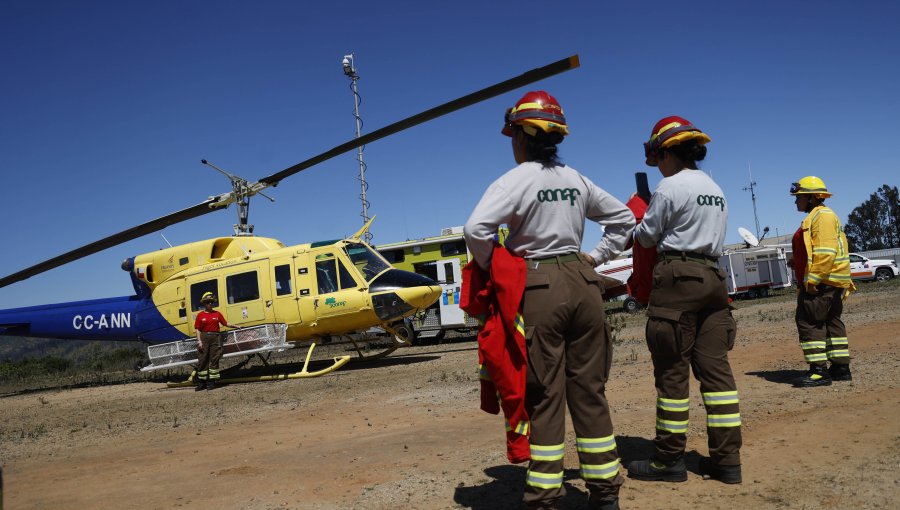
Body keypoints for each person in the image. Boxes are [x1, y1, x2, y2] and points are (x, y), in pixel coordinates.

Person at [464, 90, 635, 510]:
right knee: (589, 390)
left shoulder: (515, 180)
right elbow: (624, 219)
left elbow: (476, 229)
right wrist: (594, 257)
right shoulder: (576, 179)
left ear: (521, 135)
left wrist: (495, 267)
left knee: (544, 395)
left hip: (538, 285)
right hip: (583, 281)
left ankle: (544, 496)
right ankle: (605, 493)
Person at [627, 116, 742, 485]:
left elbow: (646, 238)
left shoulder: (669, 187)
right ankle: (727, 462)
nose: (657, 165)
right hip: (713, 279)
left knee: (673, 376)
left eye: (658, 157)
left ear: (667, 152)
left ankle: (669, 461)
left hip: (677, 280)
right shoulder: (716, 188)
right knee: (717, 374)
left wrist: (639, 218)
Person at [789, 176, 855, 387]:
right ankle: (840, 368)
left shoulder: (821, 216)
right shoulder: (821, 215)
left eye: (798, 197)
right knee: (832, 322)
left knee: (810, 323)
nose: (795, 201)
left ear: (810, 197)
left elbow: (826, 252)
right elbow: (817, 250)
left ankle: (819, 372)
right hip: (832, 281)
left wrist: (813, 279)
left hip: (823, 282)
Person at [194, 291, 228, 391]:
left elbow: (225, 323)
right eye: (208, 302)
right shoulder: (200, 315)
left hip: (215, 337)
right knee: (202, 359)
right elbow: (198, 329)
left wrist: (236, 326)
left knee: (214, 358)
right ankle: (202, 382)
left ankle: (212, 382)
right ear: (204, 304)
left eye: (212, 302)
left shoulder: (217, 314)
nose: (210, 304)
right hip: (204, 338)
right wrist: (199, 341)